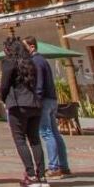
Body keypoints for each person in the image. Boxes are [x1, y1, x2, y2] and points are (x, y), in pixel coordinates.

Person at [0, 37, 48, 187]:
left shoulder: (9, 62)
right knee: (35, 140)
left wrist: (3, 98)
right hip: (34, 104)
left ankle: (31, 175)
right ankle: (42, 176)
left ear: (8, 49)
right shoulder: (31, 61)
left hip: (18, 104)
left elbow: (5, 85)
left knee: (20, 140)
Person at [25, 36, 71, 179]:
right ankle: (63, 165)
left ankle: (54, 167)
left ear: (32, 47)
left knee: (46, 133)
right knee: (55, 133)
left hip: (44, 101)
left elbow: (39, 84)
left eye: (25, 47)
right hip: (51, 99)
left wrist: (36, 101)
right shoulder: (43, 60)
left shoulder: (36, 61)